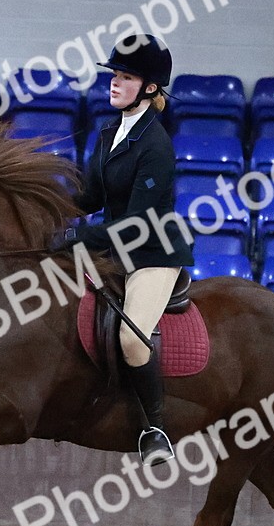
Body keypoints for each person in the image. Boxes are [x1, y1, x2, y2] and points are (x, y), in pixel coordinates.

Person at [51, 34, 194, 466]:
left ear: (149, 87)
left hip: (151, 252)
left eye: (126, 77)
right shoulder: (110, 132)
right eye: (114, 74)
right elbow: (92, 197)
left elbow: (135, 225)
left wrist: (76, 239)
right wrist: (51, 211)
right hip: (114, 244)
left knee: (132, 338)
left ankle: (155, 429)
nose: (114, 82)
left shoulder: (157, 146)